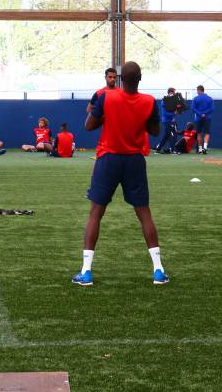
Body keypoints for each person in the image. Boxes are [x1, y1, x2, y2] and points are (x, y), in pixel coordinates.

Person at [72, 61, 168, 287]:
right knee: (144, 213)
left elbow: (88, 125)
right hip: (134, 160)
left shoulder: (107, 97)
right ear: (140, 78)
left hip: (108, 158)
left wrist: (107, 115)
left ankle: (86, 272)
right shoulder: (149, 102)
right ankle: (158, 271)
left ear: (121, 79)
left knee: (96, 213)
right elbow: (154, 131)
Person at [155, 87, 180, 154]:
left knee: (166, 135)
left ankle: (158, 149)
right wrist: (174, 113)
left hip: (170, 120)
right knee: (172, 135)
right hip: (168, 121)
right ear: (170, 92)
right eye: (174, 92)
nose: (175, 94)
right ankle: (173, 150)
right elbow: (165, 113)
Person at [190, 85, 213, 154]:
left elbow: (193, 108)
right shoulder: (210, 98)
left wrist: (200, 114)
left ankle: (200, 149)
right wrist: (205, 113)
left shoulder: (195, 98)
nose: (197, 92)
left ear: (199, 90)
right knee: (207, 133)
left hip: (198, 118)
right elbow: (212, 109)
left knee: (199, 133)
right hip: (207, 117)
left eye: (197, 91)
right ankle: (205, 148)